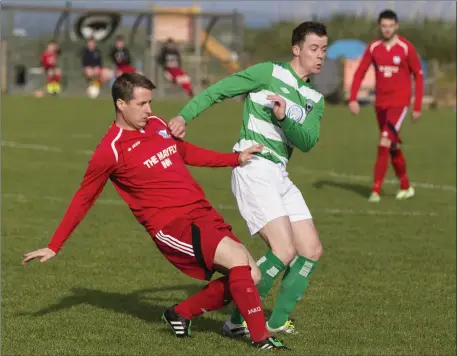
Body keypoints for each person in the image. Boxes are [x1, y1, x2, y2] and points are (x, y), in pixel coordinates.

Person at [22, 73, 288, 351]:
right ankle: (261, 338)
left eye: (150, 102)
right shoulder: (110, 151)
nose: (149, 110)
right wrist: (55, 245)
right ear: (121, 104)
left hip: (201, 211)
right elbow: (84, 197)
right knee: (237, 261)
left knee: (251, 275)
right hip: (173, 225)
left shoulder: (157, 124)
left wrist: (234, 159)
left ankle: (181, 313)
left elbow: (185, 153)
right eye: (142, 104)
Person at [168, 21, 327, 337]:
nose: (320, 55)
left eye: (324, 49)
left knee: (311, 249)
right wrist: (184, 116)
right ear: (296, 49)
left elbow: (308, 141)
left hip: (279, 173)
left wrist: (283, 118)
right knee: (284, 250)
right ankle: (237, 320)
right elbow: (219, 90)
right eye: (314, 48)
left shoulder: (314, 97)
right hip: (253, 167)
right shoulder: (268, 73)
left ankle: (277, 320)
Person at [348, 9, 424, 202]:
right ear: (379, 26)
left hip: (399, 103)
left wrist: (417, 106)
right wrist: (353, 98)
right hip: (380, 104)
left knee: (384, 141)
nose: (387, 29)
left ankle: (375, 190)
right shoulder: (374, 48)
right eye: (384, 26)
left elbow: (419, 75)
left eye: (391, 26)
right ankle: (405, 185)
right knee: (392, 145)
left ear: (396, 26)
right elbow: (360, 72)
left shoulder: (406, 47)